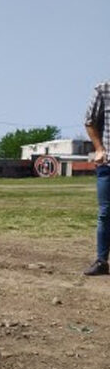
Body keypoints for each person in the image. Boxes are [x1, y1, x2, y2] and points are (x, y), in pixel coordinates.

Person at [84, 80, 110, 276]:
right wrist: (99, 148)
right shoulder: (104, 89)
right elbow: (90, 121)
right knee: (105, 213)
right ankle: (101, 261)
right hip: (108, 165)